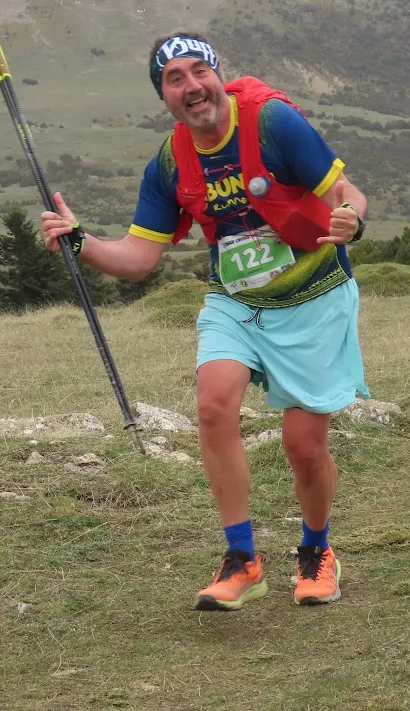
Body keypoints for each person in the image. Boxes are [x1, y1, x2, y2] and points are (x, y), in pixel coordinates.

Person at [40, 32, 370, 611]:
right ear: (164, 96)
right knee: (214, 402)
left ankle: (316, 550)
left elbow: (347, 191)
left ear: (219, 75)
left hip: (315, 295)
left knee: (303, 446)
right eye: (175, 79)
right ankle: (242, 559)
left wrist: (350, 218)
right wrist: (80, 242)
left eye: (200, 72)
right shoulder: (169, 163)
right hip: (236, 303)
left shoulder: (274, 125)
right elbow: (139, 259)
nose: (192, 87)